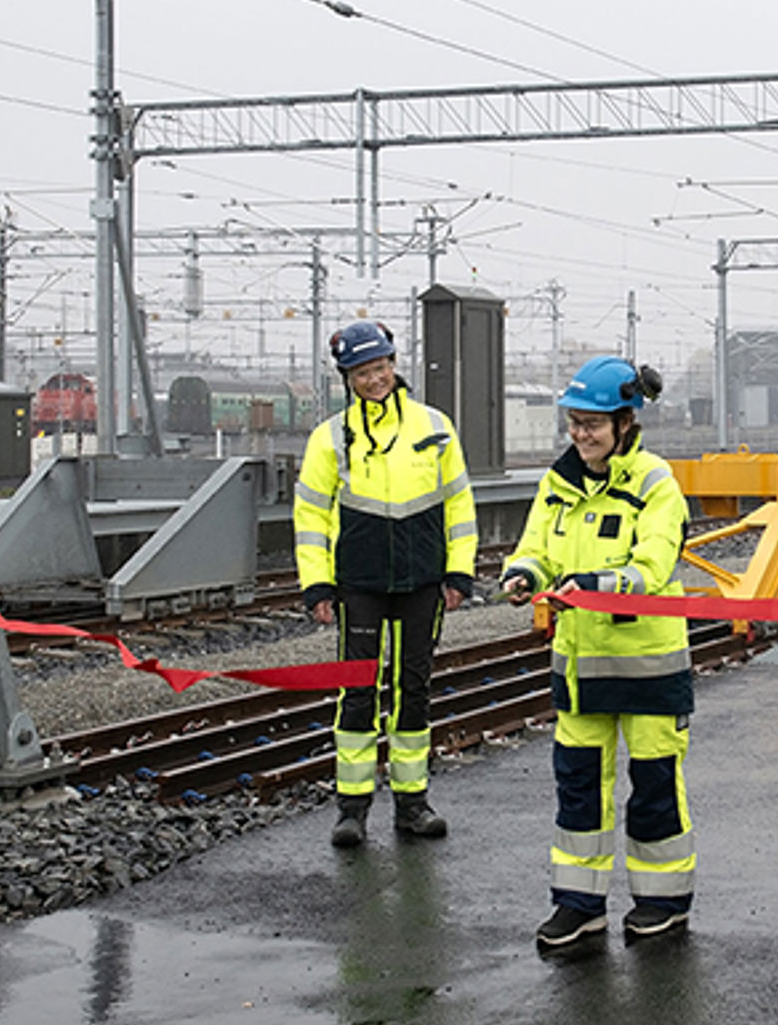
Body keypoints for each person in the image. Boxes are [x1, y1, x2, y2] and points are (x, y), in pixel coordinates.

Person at [500, 356, 696, 949]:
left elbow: (653, 566)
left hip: (647, 671)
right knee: (579, 790)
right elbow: (536, 548)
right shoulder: (557, 485)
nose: (581, 434)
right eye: (574, 422)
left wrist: (596, 585)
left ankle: (662, 902)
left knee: (654, 785)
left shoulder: (655, 484)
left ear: (625, 423)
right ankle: (578, 905)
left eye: (592, 424)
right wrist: (524, 575)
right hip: (580, 673)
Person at [294, 318, 477, 847]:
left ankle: (412, 804)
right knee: (357, 691)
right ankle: (351, 810)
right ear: (346, 378)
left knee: (412, 690)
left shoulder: (434, 426)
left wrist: (459, 571)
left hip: (423, 580)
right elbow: (310, 515)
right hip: (359, 583)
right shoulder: (330, 438)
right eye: (361, 372)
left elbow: (459, 506)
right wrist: (318, 585)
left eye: (380, 368)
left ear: (394, 365)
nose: (374, 379)